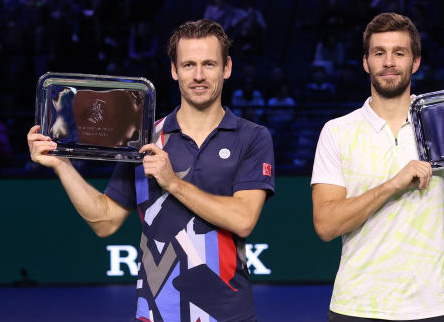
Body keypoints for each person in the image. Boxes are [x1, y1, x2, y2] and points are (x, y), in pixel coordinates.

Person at [27, 19, 275, 322]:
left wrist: (173, 182)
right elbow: (105, 221)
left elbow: (243, 219)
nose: (198, 75)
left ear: (227, 67)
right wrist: (61, 165)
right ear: (174, 70)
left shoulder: (252, 136)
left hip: (229, 314)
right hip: (155, 314)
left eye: (209, 64)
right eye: (188, 65)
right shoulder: (143, 139)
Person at [311, 12, 444, 322]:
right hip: (356, 306)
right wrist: (393, 184)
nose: (389, 62)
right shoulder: (337, 131)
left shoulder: (441, 123)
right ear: (366, 62)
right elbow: (326, 225)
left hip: (432, 306)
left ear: (415, 62)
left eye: (399, 53)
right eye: (379, 53)